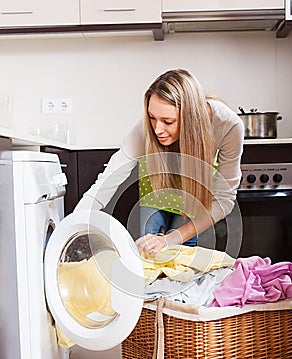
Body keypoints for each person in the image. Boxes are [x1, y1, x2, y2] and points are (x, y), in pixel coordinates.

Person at [75, 69, 244, 256]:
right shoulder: (148, 127)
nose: (157, 129)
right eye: (152, 117)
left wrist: (170, 239)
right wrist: (75, 224)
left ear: (190, 119)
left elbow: (224, 200)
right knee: (149, 253)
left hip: (192, 194)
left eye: (168, 122)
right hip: (157, 189)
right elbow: (110, 176)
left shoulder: (228, 125)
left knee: (181, 255)